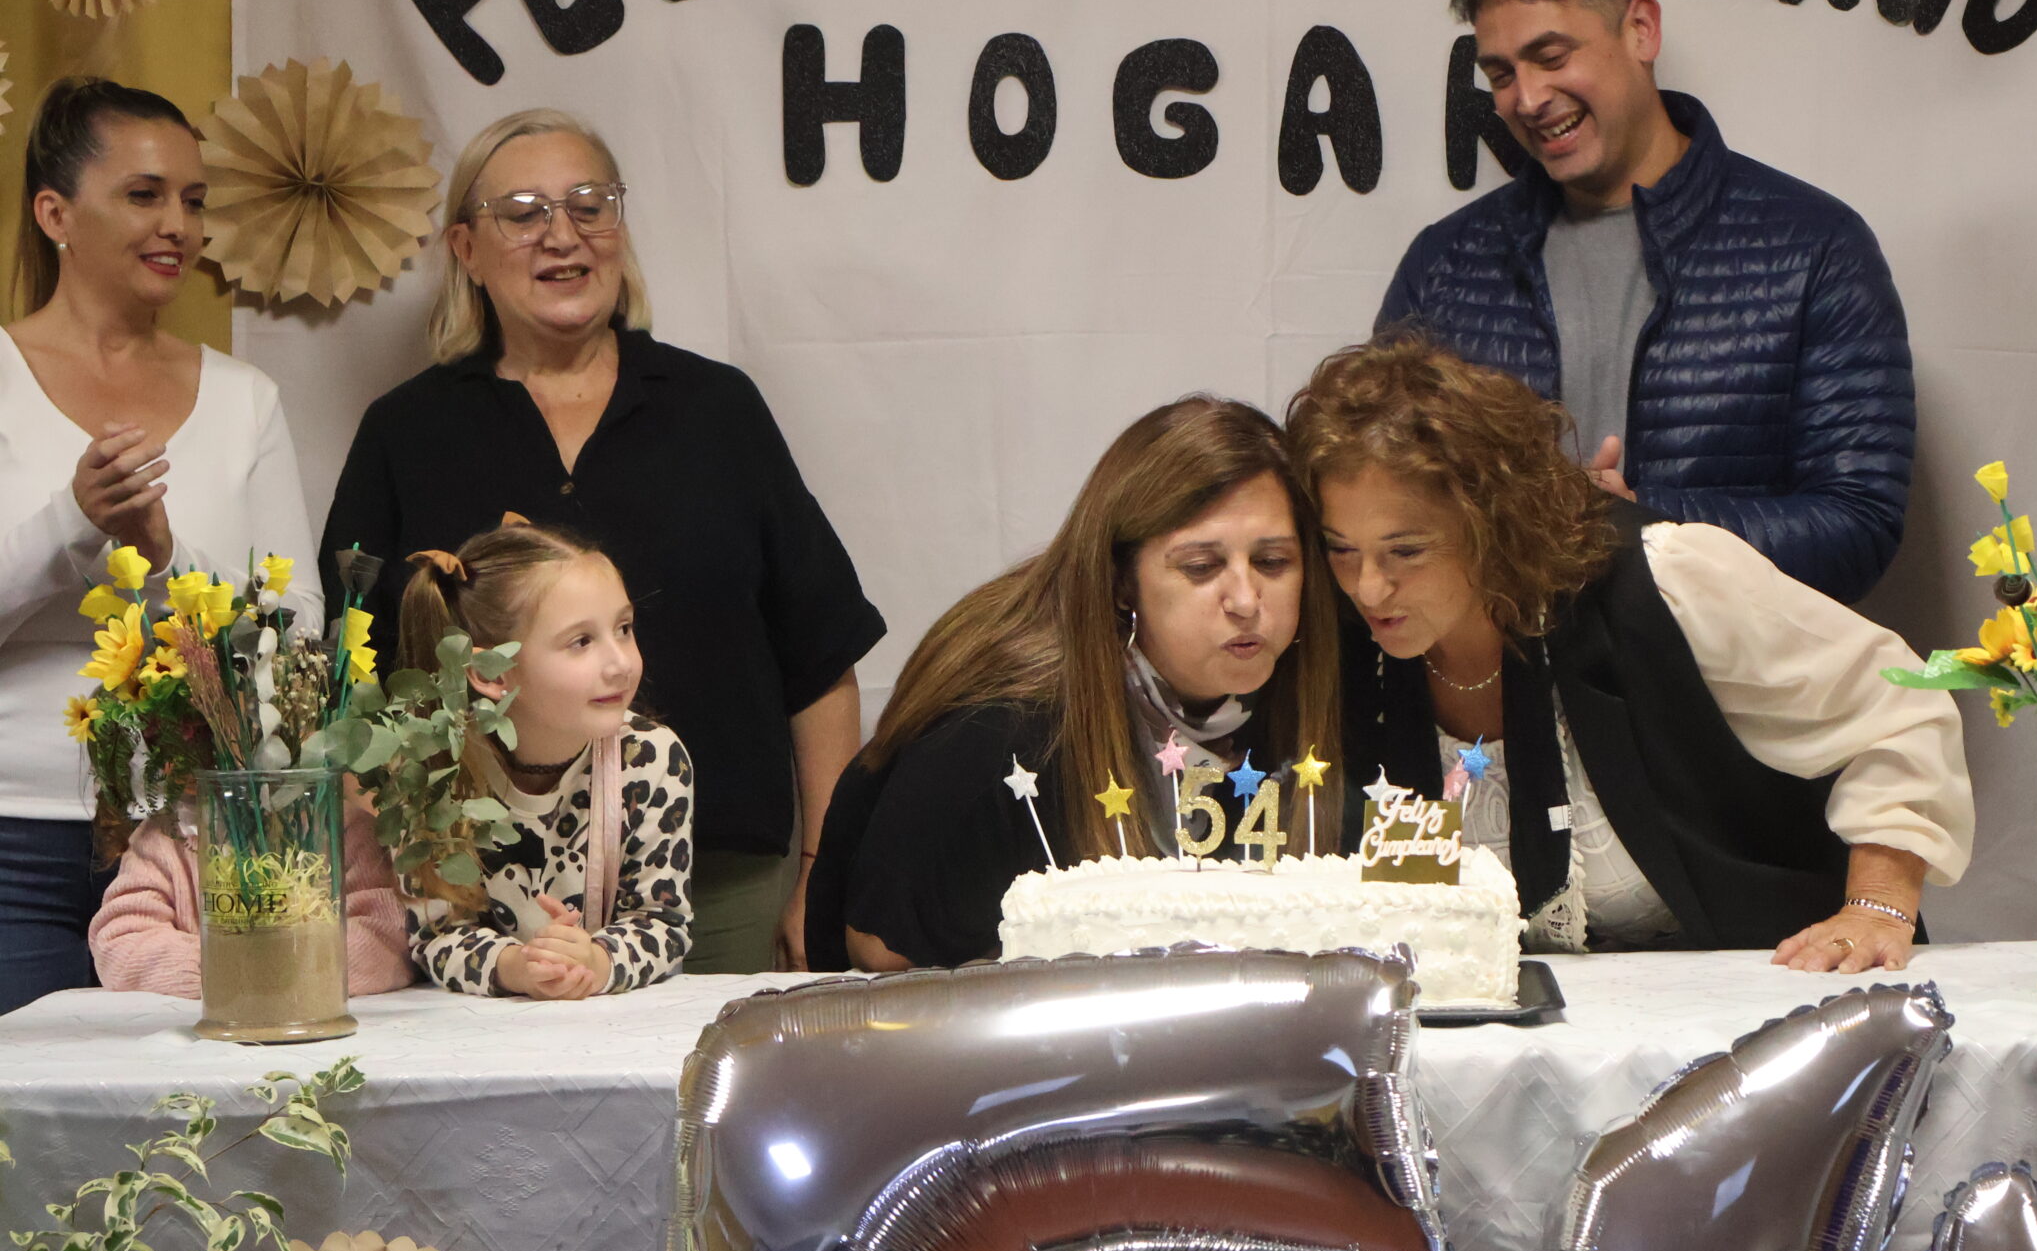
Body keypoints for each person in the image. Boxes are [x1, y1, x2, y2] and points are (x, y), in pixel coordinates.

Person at [321, 109, 879, 977]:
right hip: (482, 897)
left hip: (721, 883)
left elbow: (821, 657)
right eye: (524, 213)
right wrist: (401, 870)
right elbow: (351, 680)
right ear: (466, 250)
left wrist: (823, 871)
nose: (563, 235)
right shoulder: (406, 432)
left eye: (589, 205)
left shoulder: (717, 411)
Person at [1290, 336, 1969, 972]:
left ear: (1491, 522)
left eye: (1406, 550)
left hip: (1771, 993)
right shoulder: (1356, 646)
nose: (1368, 587)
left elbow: (1896, 702)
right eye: (1341, 549)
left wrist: (1877, 906)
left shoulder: (1662, 581)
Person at [1375, 0, 1914, 603]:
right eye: (1501, 74)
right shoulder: (1443, 266)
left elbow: (1859, 524)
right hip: (1504, 668)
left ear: (1641, 29)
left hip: (1721, 675)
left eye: (1550, 56)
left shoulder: (1816, 249)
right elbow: (1376, 499)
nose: (1527, 99)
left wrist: (1644, 525)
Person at [806, 397, 1339, 972]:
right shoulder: (1003, 733)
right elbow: (883, 953)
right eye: (1201, 567)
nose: (1246, 601)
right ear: (1122, 582)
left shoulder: (1305, 689)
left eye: (1273, 562)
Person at [0, 77, 318, 1013]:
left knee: (202, 1101)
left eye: (193, 199)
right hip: (15, 840)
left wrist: (169, 557)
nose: (178, 225)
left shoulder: (245, 398)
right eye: (144, 195)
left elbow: (298, 643)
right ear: (55, 213)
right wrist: (73, 523)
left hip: (197, 841)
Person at [392, 520, 692, 997]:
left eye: (624, 628)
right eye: (581, 641)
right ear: (491, 674)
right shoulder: (434, 768)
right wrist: (517, 968)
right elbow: (438, 932)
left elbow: (663, 922)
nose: (621, 663)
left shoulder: (650, 758)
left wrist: (594, 961)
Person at [89, 795, 412, 996]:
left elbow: (387, 936)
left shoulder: (342, 825)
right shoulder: (163, 837)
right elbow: (121, 946)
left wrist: (277, 968)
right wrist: (228, 970)